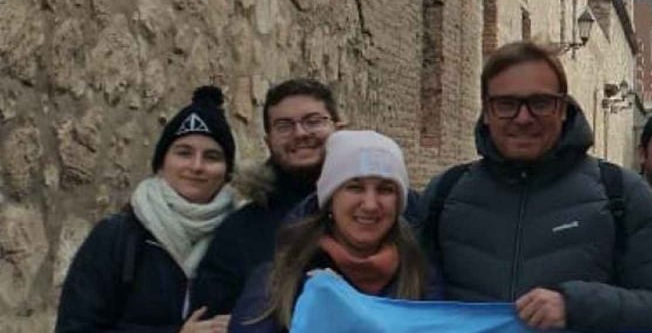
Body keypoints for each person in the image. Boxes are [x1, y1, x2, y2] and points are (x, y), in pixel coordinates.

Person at [421, 41, 652, 331]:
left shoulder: (621, 193)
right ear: (486, 111)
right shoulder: (444, 194)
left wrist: (576, 306)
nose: (523, 118)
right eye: (507, 104)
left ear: (562, 109)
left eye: (540, 103)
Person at [57, 86, 238, 333]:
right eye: (184, 153)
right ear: (161, 164)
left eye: (212, 157)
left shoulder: (240, 239)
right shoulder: (116, 238)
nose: (197, 166)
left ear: (227, 173)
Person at [229, 130, 437, 333]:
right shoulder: (276, 284)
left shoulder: (422, 279)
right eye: (355, 188)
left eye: (385, 190)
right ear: (330, 200)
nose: (370, 205)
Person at [194, 79, 341, 316]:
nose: (300, 133)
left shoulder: (381, 211)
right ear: (268, 141)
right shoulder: (239, 231)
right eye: (284, 126)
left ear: (338, 128)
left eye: (313, 121)